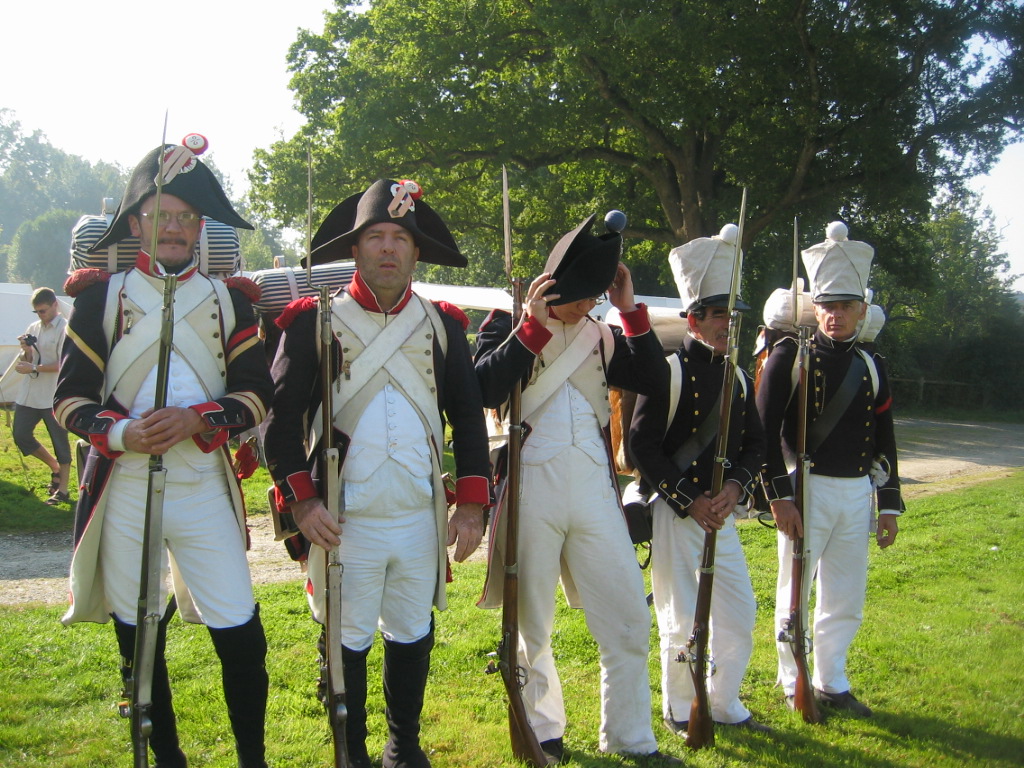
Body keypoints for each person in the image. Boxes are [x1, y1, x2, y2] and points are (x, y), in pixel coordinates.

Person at [54, 140, 273, 768]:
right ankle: (168, 756)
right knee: (138, 633)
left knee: (240, 629)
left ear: (200, 227)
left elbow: (257, 394)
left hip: (202, 479)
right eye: (160, 216)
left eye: (185, 218)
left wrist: (200, 417)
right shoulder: (101, 298)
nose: (173, 229)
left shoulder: (231, 300)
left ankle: (252, 759)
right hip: (124, 483)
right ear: (136, 224)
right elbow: (68, 402)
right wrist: (123, 433)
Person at [262, 178, 491, 768]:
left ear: (417, 253)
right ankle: (351, 750)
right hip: (344, 519)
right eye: (375, 237)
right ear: (355, 250)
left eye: (400, 238)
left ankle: (403, 746)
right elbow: (280, 424)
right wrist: (304, 503)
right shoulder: (313, 322)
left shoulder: (442, 325)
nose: (388, 248)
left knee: (412, 632)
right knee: (347, 638)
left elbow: (467, 416)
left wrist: (470, 503)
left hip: (417, 513)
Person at [475, 212, 680, 765]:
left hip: (593, 487)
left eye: (596, 298)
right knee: (531, 623)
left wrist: (630, 307)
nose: (586, 308)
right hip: (531, 486)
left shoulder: (602, 333)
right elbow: (485, 385)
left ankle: (632, 736)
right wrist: (532, 327)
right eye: (580, 297)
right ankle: (543, 731)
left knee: (628, 618)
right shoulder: (505, 322)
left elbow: (656, 382)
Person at [755, 220, 903, 718]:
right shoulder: (789, 356)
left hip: (856, 491)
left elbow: (885, 439)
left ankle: (832, 679)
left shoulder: (871, 363)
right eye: (827, 306)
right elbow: (761, 433)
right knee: (794, 591)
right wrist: (779, 496)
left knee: (845, 595)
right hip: (807, 489)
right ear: (814, 307)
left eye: (844, 306)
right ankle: (792, 677)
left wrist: (890, 505)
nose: (835, 316)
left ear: (862, 309)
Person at [628, 225, 771, 739]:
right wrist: (690, 500)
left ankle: (724, 699)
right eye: (716, 315)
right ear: (693, 318)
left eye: (732, 315)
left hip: (720, 513)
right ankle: (680, 706)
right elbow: (638, 447)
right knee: (679, 615)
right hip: (677, 511)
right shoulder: (667, 370)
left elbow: (755, 445)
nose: (727, 324)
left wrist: (733, 491)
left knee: (740, 610)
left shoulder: (736, 376)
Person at [11, 287, 72, 505]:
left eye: (43, 311)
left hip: (53, 394)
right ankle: (54, 467)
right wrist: (26, 350)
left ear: (55, 304)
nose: (40, 315)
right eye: (36, 312)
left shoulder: (65, 328)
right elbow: (28, 358)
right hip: (29, 394)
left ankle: (63, 490)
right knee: (20, 434)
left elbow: (63, 364)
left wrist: (34, 368)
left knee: (59, 441)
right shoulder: (34, 327)